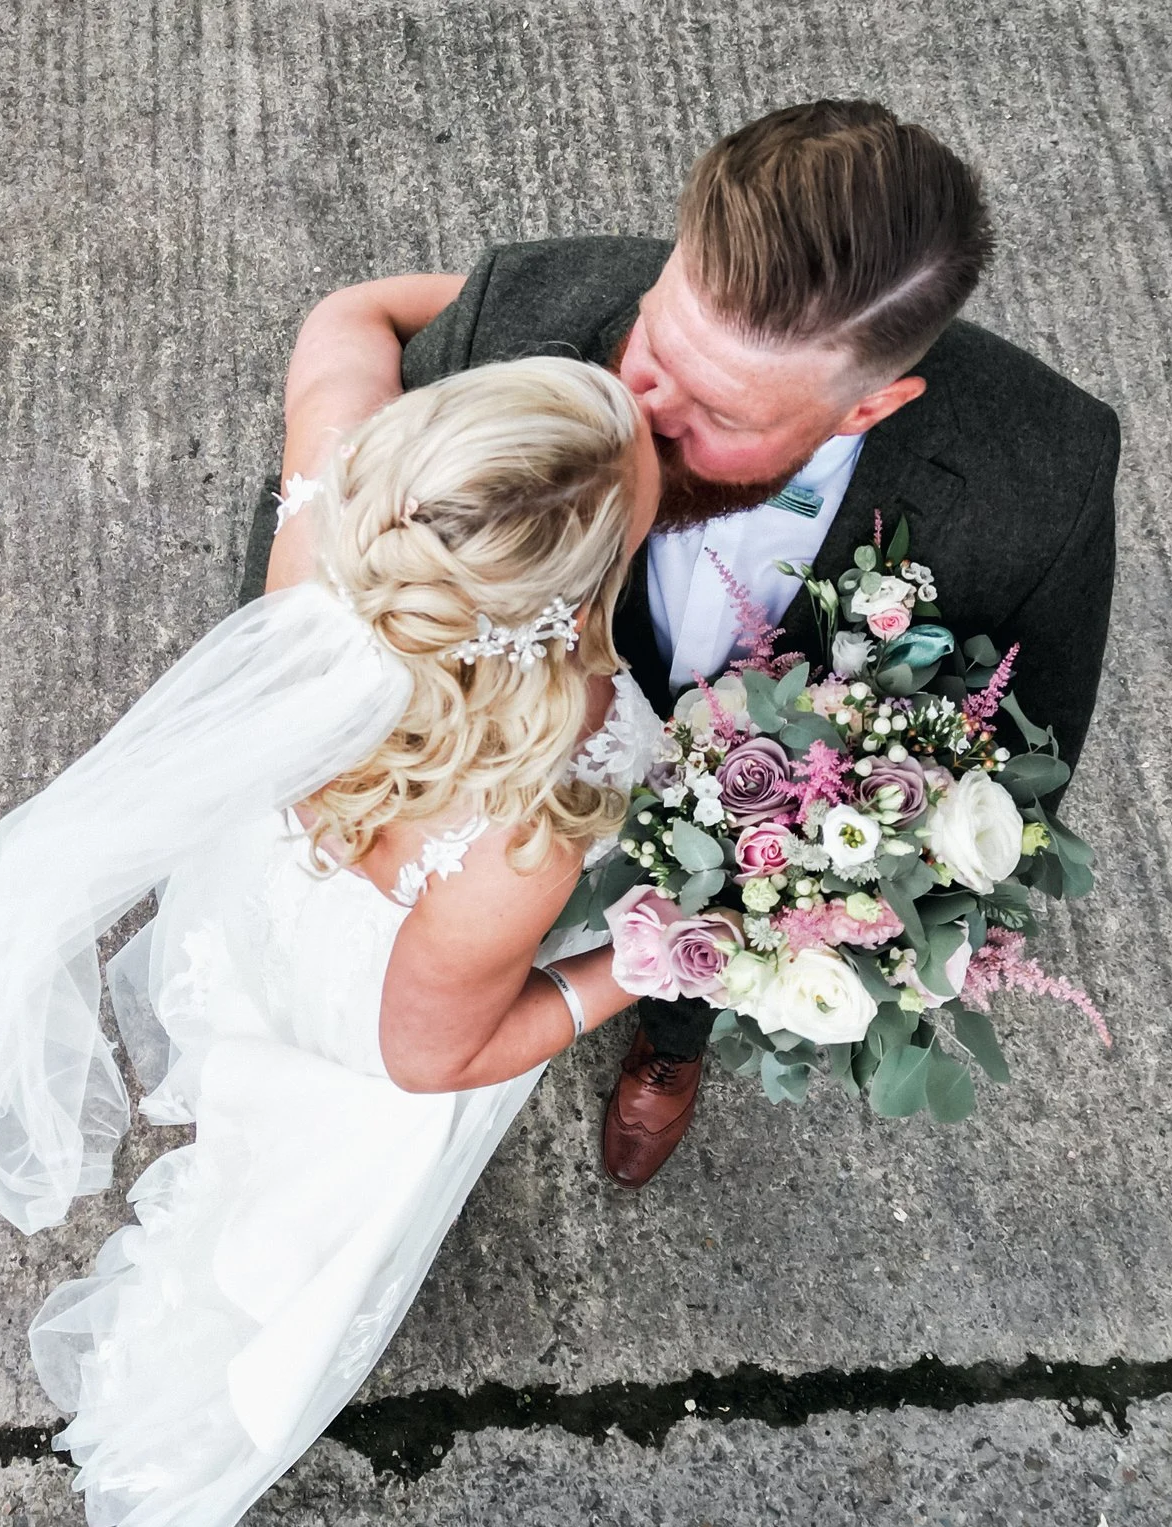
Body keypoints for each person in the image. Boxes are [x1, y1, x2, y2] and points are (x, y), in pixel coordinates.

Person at [241, 100, 1121, 1189]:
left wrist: (762, 924)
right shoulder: (520, 317)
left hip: (745, 874)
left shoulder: (1044, 476)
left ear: (867, 409)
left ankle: (673, 1042)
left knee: (689, 980)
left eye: (721, 413)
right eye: (657, 340)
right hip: (488, 865)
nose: (638, 412)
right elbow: (345, 440)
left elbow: (1023, 752)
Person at [0, 354, 667, 1527]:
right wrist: (635, 967)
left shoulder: (334, 537)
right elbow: (433, 1058)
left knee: (245, 1075)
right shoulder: (534, 815)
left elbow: (342, 321)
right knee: (290, 1199)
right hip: (379, 1022)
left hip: (271, 917)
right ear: (586, 578)